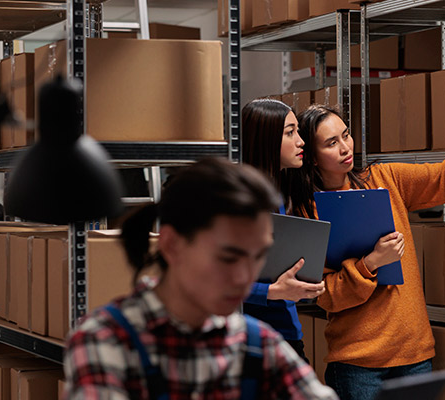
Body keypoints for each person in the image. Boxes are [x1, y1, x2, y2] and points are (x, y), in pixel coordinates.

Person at [290, 104, 445, 400]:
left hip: (414, 355)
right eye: (331, 143)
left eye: (346, 136)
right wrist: (370, 263)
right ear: (311, 156)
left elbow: (442, 177)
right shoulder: (308, 212)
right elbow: (326, 296)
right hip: (357, 363)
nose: (345, 147)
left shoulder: (386, 179)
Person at [64, 158, 338, 400]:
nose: (244, 277)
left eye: (258, 258)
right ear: (172, 245)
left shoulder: (258, 346)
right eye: (228, 258)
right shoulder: (106, 340)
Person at [241, 98, 326, 363]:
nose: (301, 141)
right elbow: (212, 280)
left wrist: (301, 287)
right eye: (290, 133)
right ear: (265, 139)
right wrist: (273, 292)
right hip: (254, 341)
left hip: (286, 335)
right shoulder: (241, 202)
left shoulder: (277, 196)